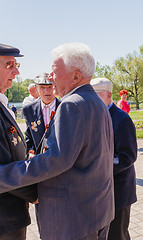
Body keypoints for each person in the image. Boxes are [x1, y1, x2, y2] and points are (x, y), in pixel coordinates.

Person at [0, 42, 114, 240]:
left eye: (54, 71)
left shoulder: (72, 105)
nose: (50, 78)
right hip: (96, 210)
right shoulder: (96, 101)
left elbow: (57, 159)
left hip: (72, 218)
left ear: (76, 76)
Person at [91, 78, 137, 240]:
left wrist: (96, 166)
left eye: (97, 94)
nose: (93, 99)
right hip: (100, 191)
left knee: (118, 235)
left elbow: (127, 157)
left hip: (118, 191)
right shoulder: (94, 116)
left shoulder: (122, 119)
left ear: (109, 95)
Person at [0, 43, 37, 239]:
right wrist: (36, 192)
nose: (15, 71)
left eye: (16, 65)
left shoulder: (2, 104)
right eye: (9, 64)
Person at [22, 73, 60, 154]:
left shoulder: (64, 107)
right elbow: (29, 136)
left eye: (50, 87)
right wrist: (30, 152)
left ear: (55, 87)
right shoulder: (28, 110)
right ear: (36, 89)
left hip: (61, 158)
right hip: (39, 160)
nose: (47, 91)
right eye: (42, 87)